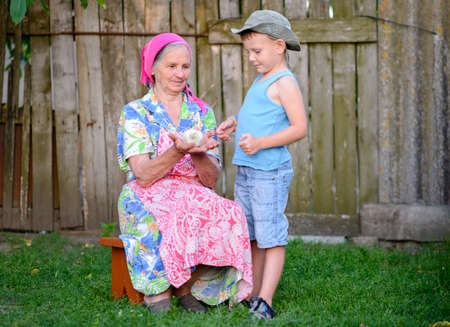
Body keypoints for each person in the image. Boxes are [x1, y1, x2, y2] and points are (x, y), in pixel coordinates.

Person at [117, 33, 252, 314]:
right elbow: (142, 174)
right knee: (177, 208)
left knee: (230, 213)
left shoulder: (201, 112)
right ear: (152, 68)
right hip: (148, 191)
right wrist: (178, 151)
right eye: (171, 66)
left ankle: (187, 285)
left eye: (185, 66)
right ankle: (159, 291)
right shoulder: (136, 112)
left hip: (193, 189)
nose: (180, 74)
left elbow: (210, 180)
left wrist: (198, 151)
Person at [216, 10, 307, 320]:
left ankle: (265, 300)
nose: (252, 58)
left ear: (279, 46)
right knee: (252, 235)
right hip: (247, 171)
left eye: (257, 51)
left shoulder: (285, 83)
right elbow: (257, 116)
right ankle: (251, 292)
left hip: (269, 172)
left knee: (271, 237)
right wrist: (234, 122)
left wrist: (259, 144)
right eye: (249, 52)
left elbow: (299, 128)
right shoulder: (261, 80)